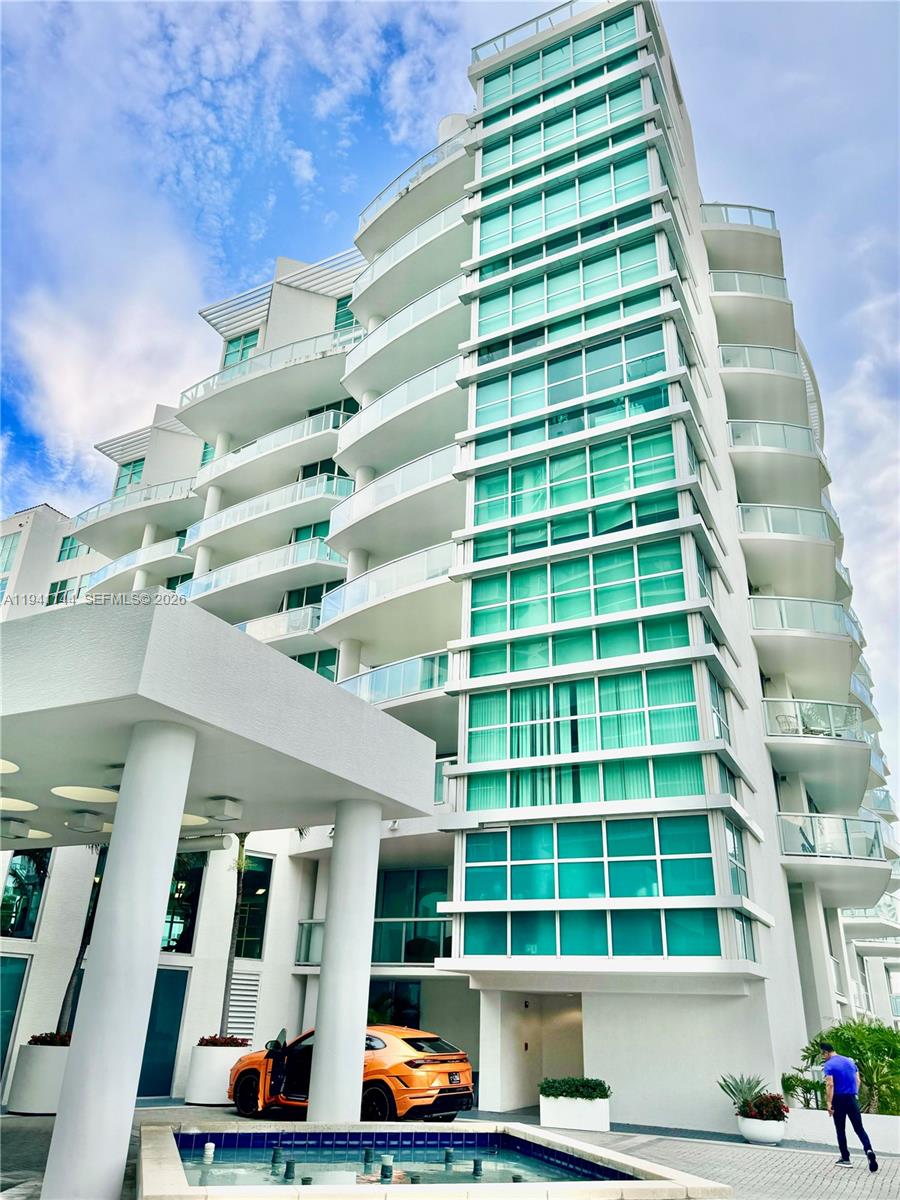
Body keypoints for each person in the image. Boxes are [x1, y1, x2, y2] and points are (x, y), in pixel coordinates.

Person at [821, 1042, 878, 1171]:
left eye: (823, 1055)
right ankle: (868, 1150)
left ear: (826, 1052)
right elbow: (857, 1080)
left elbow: (830, 1084)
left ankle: (845, 1158)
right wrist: (854, 1094)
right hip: (851, 1098)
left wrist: (829, 1103)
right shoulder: (850, 1061)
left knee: (840, 1129)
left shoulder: (829, 1065)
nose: (823, 1057)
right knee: (859, 1128)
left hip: (838, 1099)